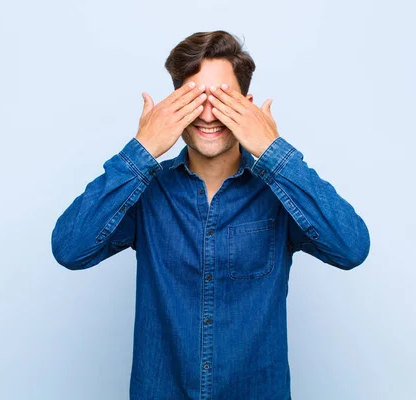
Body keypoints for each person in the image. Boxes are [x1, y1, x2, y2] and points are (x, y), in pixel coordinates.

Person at [51, 30, 370, 400]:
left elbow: (352, 248)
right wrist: (141, 150)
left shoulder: (281, 193)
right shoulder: (146, 192)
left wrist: (272, 149)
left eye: (221, 99)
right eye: (193, 99)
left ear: (247, 106)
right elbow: (69, 249)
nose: (206, 114)